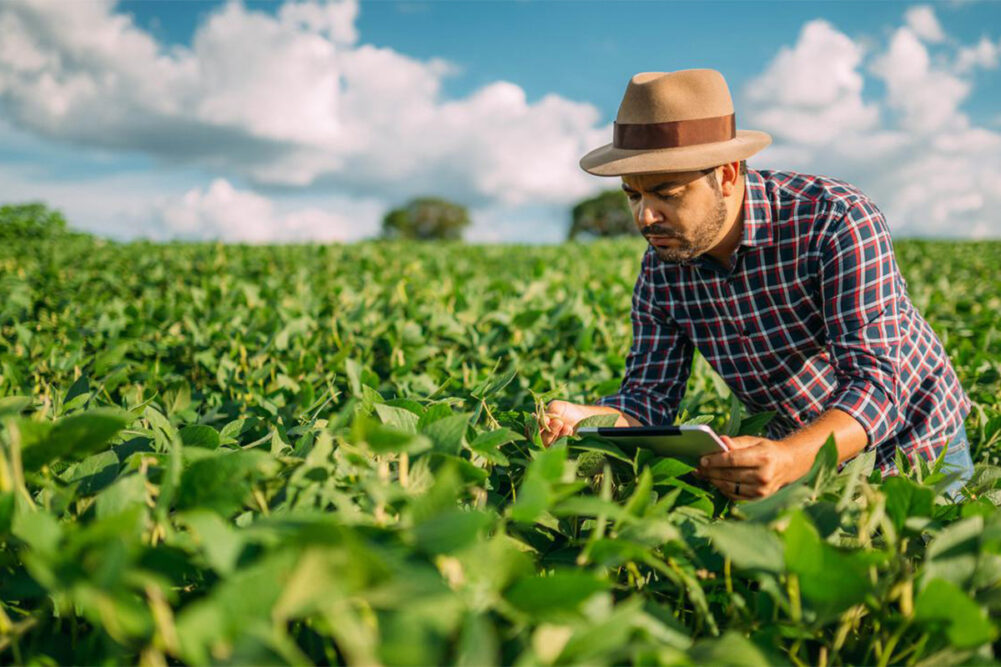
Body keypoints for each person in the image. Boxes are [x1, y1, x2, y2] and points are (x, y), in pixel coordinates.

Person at [538, 69, 974, 502]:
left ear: (727, 175)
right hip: (796, 458)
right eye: (633, 195)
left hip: (918, 447)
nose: (644, 217)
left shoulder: (835, 221)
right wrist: (588, 420)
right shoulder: (661, 271)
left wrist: (789, 457)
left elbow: (877, 387)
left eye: (667, 194)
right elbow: (649, 400)